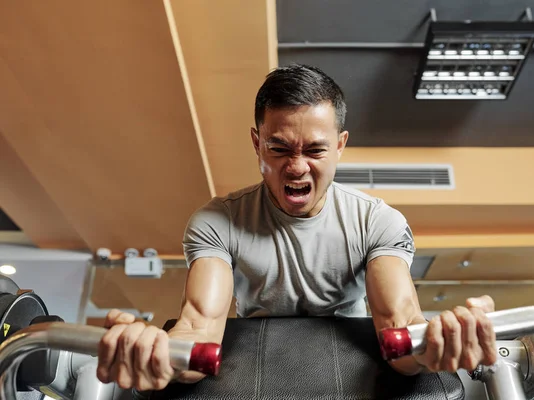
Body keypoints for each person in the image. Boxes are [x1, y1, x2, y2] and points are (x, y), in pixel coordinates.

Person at [96, 64, 497, 391]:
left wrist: (434, 344)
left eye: (316, 150)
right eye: (279, 148)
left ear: (340, 145)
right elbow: (200, 323)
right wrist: (157, 351)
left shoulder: (377, 221)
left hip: (354, 354)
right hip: (256, 358)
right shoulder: (217, 221)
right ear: (257, 143)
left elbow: (399, 323)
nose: (297, 166)